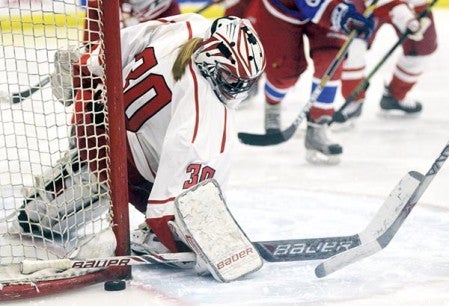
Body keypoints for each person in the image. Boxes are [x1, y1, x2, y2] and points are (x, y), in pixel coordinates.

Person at [18, 14, 266, 282]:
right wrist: (176, 235)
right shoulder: (204, 112)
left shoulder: (191, 25)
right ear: (208, 58)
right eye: (230, 76)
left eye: (244, 80)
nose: (237, 87)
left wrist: (83, 66)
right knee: (34, 223)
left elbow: (123, 43)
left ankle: (62, 183)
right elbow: (186, 193)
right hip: (120, 165)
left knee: (33, 218)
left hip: (95, 120)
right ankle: (141, 230)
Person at [223, 0, 374, 165]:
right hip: (282, 10)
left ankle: (318, 127)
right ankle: (273, 105)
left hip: (331, 5)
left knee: (331, 60)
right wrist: (344, 15)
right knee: (285, 74)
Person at [336, 0, 436, 123]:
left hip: (414, 3)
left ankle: (395, 96)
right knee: (352, 46)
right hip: (367, 4)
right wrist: (406, 19)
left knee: (421, 49)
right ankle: (354, 99)